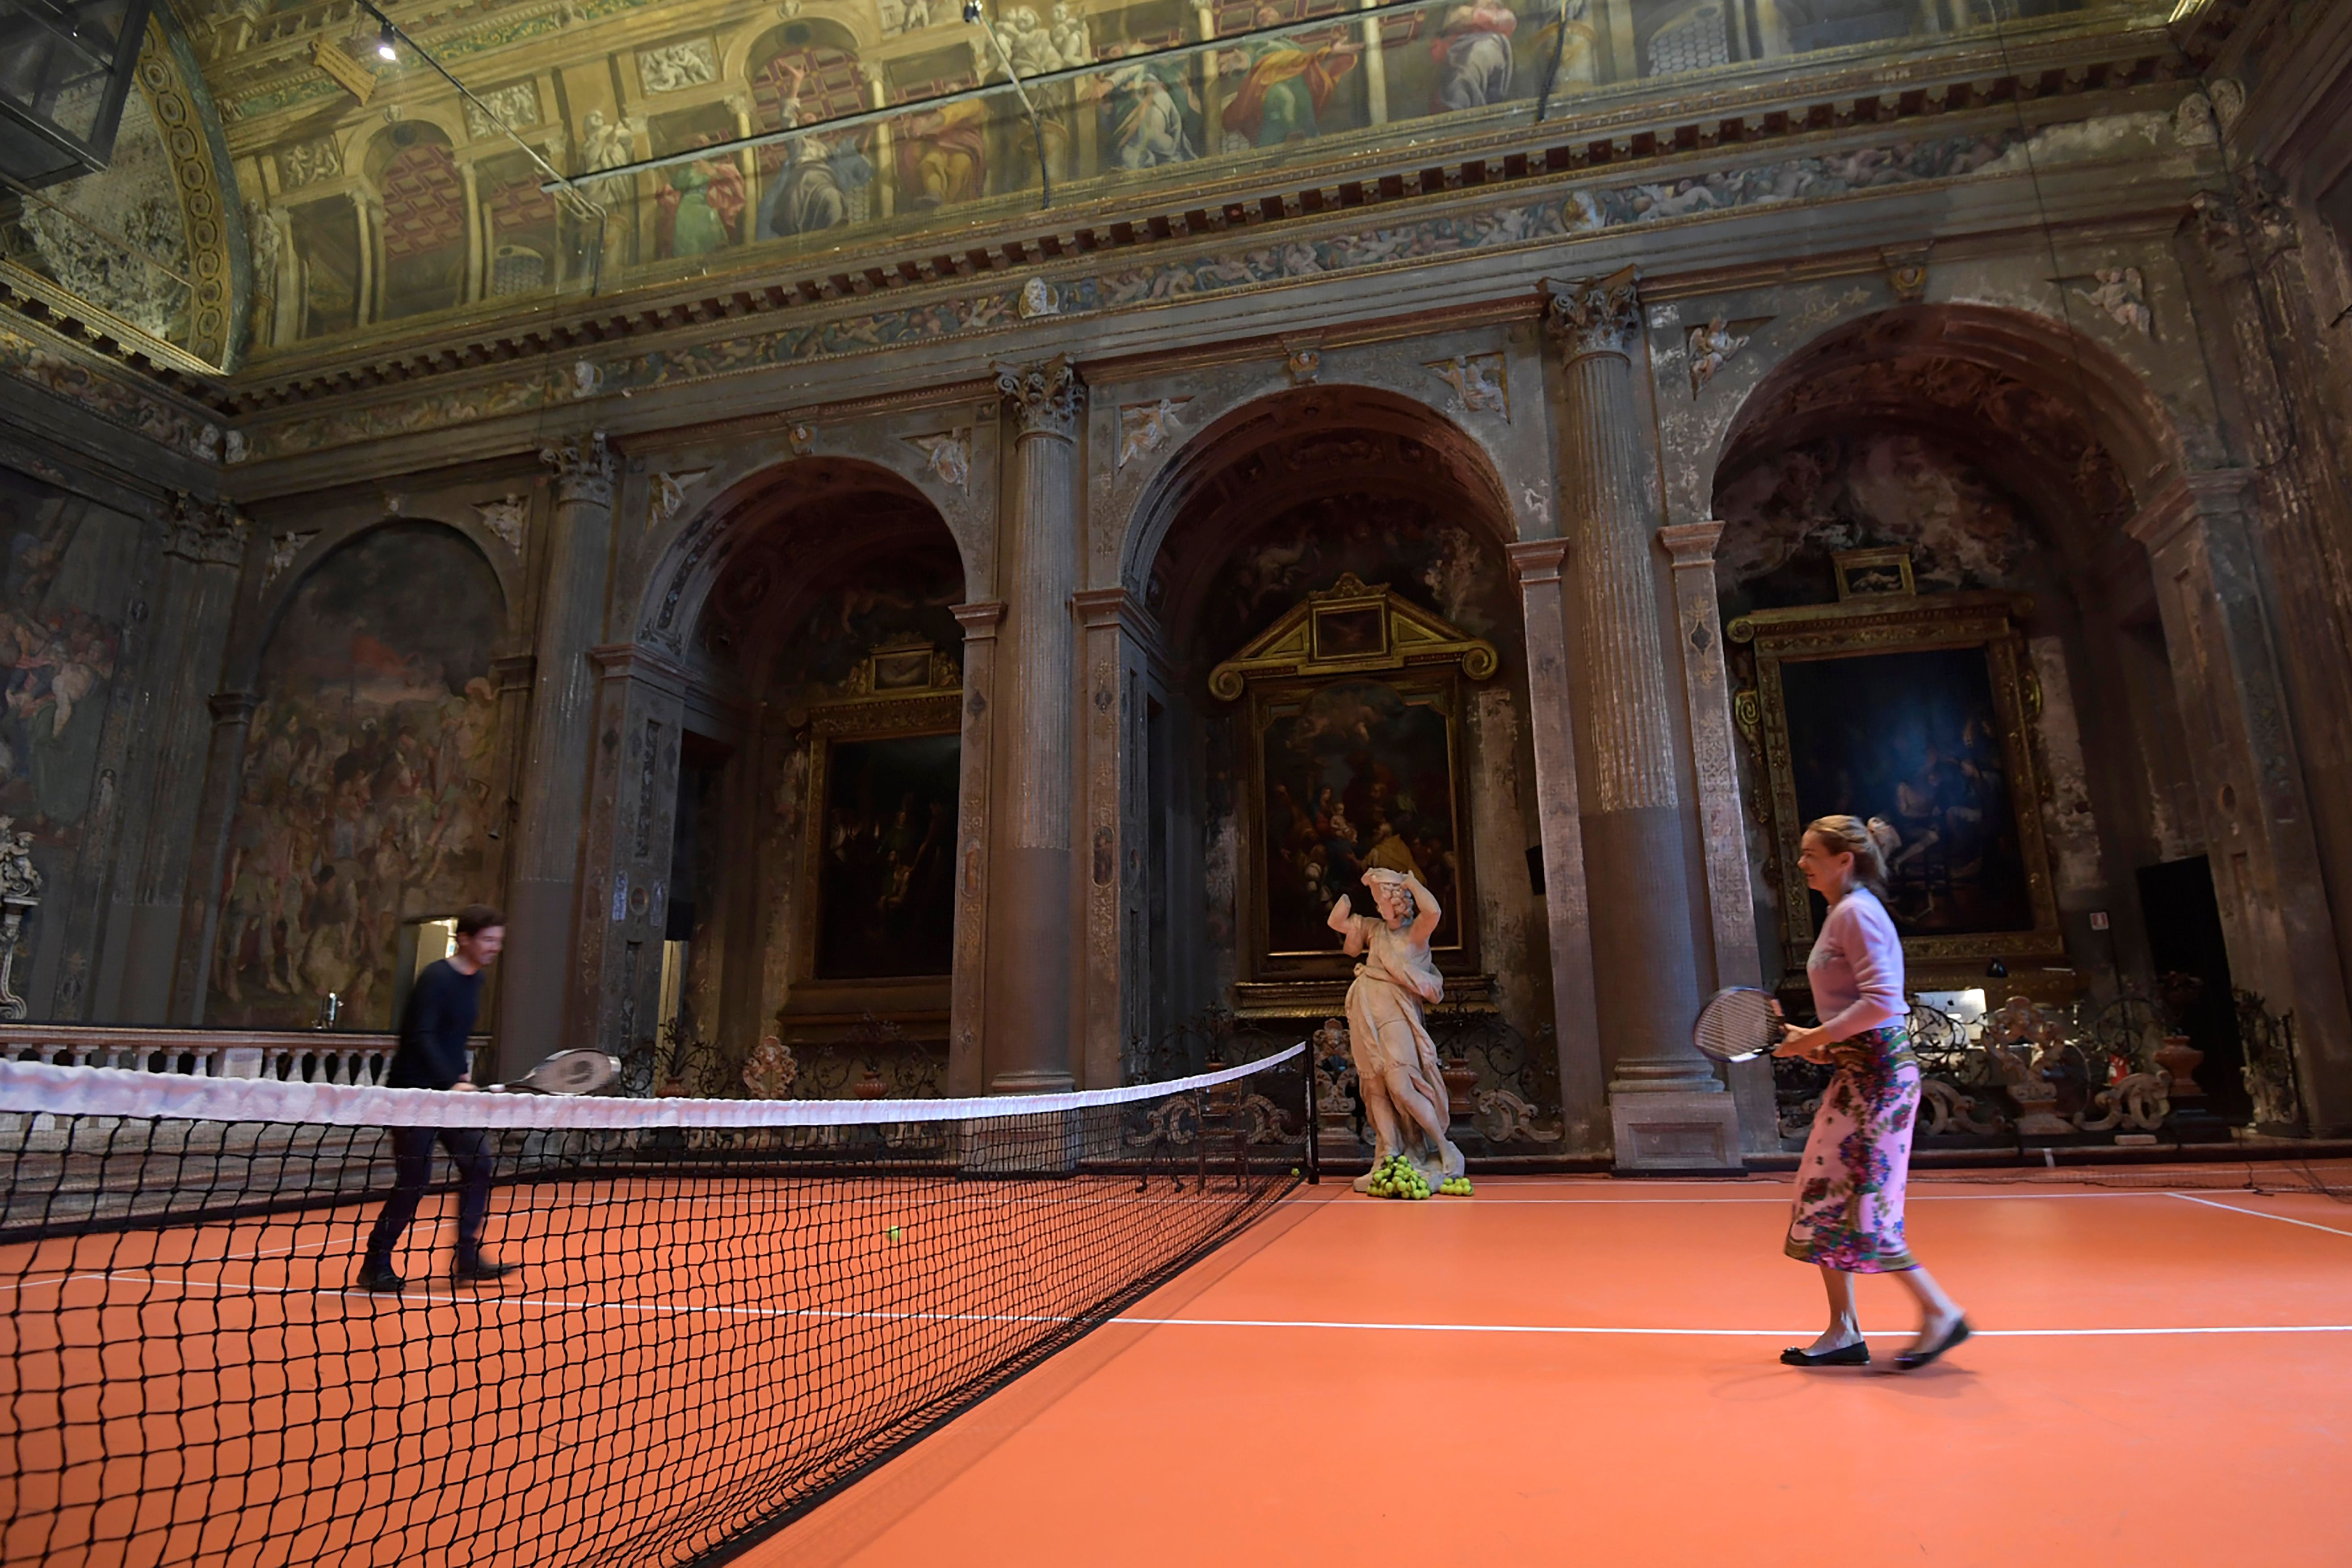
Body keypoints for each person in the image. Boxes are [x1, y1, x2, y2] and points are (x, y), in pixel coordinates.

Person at [1774, 816, 1970, 1371]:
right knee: (1820, 1194)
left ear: (1844, 860)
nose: (1801, 862)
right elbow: (1853, 1008)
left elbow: (1884, 1002)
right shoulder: (1842, 913)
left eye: (1811, 852)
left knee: (1866, 1203)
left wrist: (1813, 1036)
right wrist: (1824, 1046)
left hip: (1881, 1078)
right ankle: (1844, 1330)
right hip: (1855, 1073)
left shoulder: (1857, 912)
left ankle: (1940, 1311)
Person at [357, 905, 514, 1292]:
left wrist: (461, 1075)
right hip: (412, 1094)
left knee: (478, 1163)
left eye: (499, 941)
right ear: (465, 939)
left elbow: (452, 1039)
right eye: (489, 940)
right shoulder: (436, 978)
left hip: (448, 1095)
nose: (495, 948)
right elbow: (421, 1035)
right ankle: (375, 1262)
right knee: (414, 1179)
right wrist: (449, 1080)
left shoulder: (476, 982)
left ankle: (467, 1257)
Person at [1327, 867, 1466, 1194]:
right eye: (1375, 900)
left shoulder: (1415, 934)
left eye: (1381, 899)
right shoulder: (1374, 930)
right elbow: (1340, 929)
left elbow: (1433, 911)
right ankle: (1388, 1155)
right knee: (1374, 1088)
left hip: (1396, 1015)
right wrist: (1346, 899)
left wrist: (1413, 881)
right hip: (1366, 1012)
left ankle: (1443, 1146)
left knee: (1402, 1085)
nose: (1378, 906)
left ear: (1398, 901)